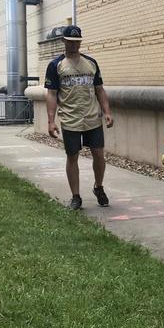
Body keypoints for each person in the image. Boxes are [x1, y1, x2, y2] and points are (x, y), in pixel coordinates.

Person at [45, 25, 114, 210]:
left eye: (77, 42)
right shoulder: (55, 65)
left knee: (99, 154)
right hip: (70, 119)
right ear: (64, 41)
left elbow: (99, 89)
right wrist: (51, 121)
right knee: (72, 156)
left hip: (92, 118)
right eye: (70, 42)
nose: (74, 45)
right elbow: (51, 94)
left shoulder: (91, 63)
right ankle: (76, 196)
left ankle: (98, 187)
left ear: (80, 42)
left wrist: (107, 112)